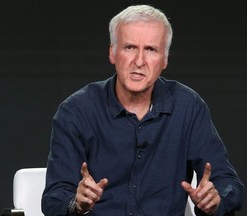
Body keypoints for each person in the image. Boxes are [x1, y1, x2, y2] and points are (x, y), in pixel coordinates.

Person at [41, 4, 244, 216]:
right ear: (112, 52)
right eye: (129, 47)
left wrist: (215, 199)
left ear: (164, 59)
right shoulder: (76, 111)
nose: (139, 61)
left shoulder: (188, 106)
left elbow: (228, 184)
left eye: (151, 50)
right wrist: (76, 203)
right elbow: (54, 199)